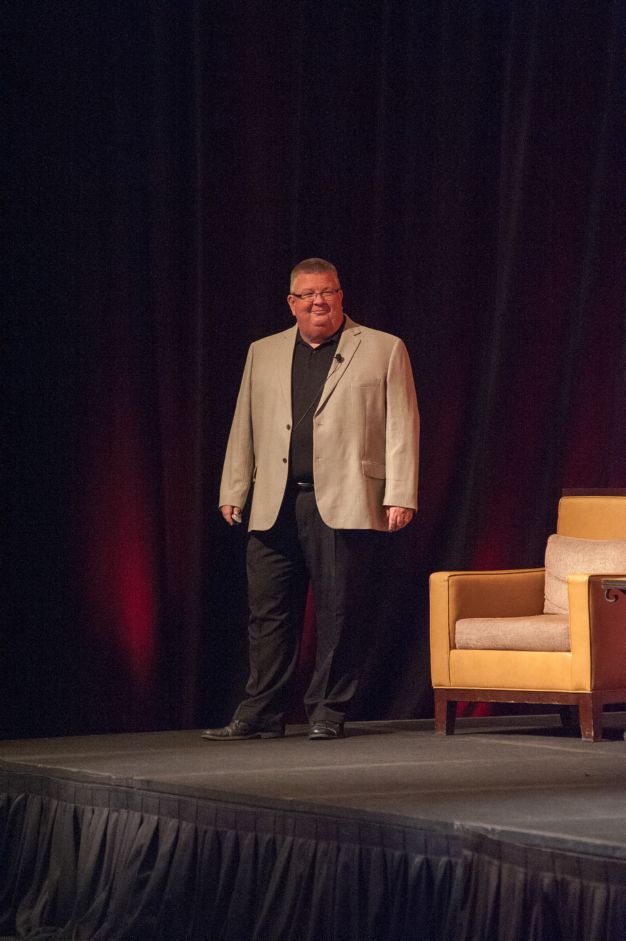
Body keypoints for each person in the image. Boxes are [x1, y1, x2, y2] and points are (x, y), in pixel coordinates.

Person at [202, 258, 419, 741]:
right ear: (292, 302)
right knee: (267, 613)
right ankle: (261, 713)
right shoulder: (263, 351)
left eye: (328, 292)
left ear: (341, 296)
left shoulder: (382, 347)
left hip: (344, 499)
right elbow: (244, 423)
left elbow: (403, 425)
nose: (319, 301)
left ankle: (327, 711)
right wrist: (233, 489)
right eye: (308, 294)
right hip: (274, 500)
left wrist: (400, 493)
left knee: (338, 613)